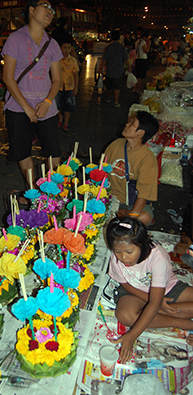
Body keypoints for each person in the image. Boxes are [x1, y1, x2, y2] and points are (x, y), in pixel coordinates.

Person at [106, 216, 193, 364]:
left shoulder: (158, 257)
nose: (123, 257)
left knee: (163, 306)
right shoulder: (117, 257)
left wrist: (132, 335)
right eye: (118, 251)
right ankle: (180, 322)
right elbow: (126, 284)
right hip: (135, 291)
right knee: (125, 314)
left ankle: (157, 310)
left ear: (141, 244)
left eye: (129, 251)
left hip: (168, 289)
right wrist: (151, 301)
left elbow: (156, 299)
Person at [2, 0, 62, 187]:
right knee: (22, 152)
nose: (50, 11)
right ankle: (33, 192)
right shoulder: (16, 39)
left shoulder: (52, 44)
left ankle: (52, 193)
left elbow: (57, 80)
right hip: (18, 108)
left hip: (47, 110)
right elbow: (7, 77)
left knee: (54, 152)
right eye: (45, 6)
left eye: (52, 9)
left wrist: (47, 102)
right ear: (31, 10)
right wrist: (27, 108)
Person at [104, 111, 159, 226]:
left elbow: (144, 193)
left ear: (140, 133)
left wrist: (132, 216)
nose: (126, 125)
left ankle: (117, 214)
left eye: (132, 123)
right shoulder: (115, 144)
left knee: (143, 217)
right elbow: (101, 170)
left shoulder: (147, 158)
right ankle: (116, 214)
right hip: (108, 197)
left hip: (128, 203)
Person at [98, 29, 129, 107]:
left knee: (109, 86)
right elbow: (126, 59)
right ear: (119, 38)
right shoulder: (122, 48)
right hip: (119, 70)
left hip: (110, 69)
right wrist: (129, 67)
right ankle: (116, 101)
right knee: (117, 86)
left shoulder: (108, 48)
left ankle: (108, 99)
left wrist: (100, 68)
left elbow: (104, 59)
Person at [56, 36, 79, 132]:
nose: (66, 50)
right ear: (60, 48)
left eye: (68, 48)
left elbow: (75, 74)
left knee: (68, 105)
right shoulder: (56, 60)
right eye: (64, 48)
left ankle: (66, 123)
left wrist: (76, 87)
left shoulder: (73, 60)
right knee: (55, 104)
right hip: (58, 87)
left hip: (69, 86)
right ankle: (60, 117)